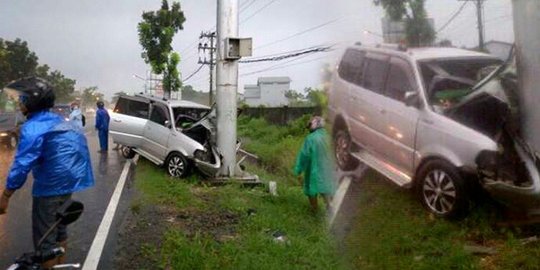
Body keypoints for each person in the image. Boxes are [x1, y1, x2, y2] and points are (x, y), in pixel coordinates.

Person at [0, 77, 94, 268]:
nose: (19, 103)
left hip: (48, 189)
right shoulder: (58, 121)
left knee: (45, 242)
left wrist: (6, 195)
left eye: (22, 99)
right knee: (60, 229)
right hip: (68, 185)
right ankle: (60, 264)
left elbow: (22, 165)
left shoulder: (33, 127)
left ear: (32, 101)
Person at [293, 116, 336, 213]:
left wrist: (298, 170)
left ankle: (314, 210)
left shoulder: (310, 138)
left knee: (311, 189)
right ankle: (330, 208)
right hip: (327, 168)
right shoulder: (328, 137)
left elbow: (304, 155)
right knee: (326, 188)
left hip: (313, 168)